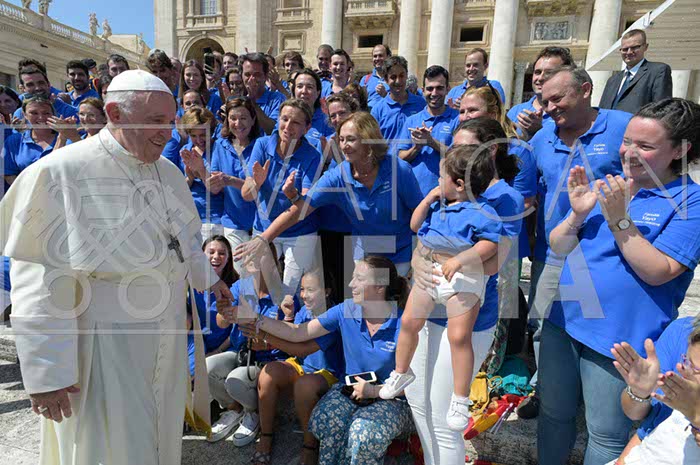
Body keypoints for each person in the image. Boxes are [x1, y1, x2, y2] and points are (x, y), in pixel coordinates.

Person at [0, 69, 232, 465]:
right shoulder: (60, 172)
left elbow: (183, 242)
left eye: (171, 121)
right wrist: (47, 374)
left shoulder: (167, 171)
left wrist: (209, 281)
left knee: (158, 441)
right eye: (156, 121)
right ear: (114, 113)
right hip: (103, 345)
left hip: (166, 336)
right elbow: (38, 282)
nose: (167, 133)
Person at [541, 98, 700, 465]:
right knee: (553, 415)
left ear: (680, 150)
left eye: (645, 145)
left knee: (605, 435)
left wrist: (619, 220)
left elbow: (659, 271)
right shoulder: (611, 184)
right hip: (564, 320)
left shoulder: (690, 201)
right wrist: (576, 216)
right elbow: (559, 245)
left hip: (619, 339)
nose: (629, 152)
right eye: (627, 141)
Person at [223, 256, 414, 465]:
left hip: (392, 399)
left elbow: (415, 384)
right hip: (351, 392)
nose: (351, 284)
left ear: (379, 287)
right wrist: (254, 318)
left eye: (359, 279)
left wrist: (375, 391)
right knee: (325, 419)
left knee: (363, 431)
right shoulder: (347, 310)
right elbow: (298, 333)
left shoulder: (405, 324)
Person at [527, 66, 633, 418]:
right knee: (544, 326)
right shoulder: (541, 138)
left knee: (601, 331)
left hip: (609, 255)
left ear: (586, 90)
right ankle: (548, 392)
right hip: (553, 253)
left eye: (557, 98)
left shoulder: (623, 127)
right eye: (544, 101)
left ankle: (599, 401)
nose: (549, 108)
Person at [380, 144, 503, 432]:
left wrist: (461, 259)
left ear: (458, 184)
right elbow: (414, 226)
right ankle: (401, 372)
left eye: (441, 177)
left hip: (465, 277)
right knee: (409, 322)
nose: (437, 182)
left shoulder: (484, 212)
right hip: (433, 272)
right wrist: (428, 198)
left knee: (459, 336)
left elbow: (489, 246)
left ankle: (460, 398)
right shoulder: (438, 205)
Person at [235, 112, 423, 277]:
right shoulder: (338, 176)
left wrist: (419, 256)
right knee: (368, 304)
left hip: (402, 253)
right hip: (366, 255)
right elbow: (301, 208)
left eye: (351, 139)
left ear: (368, 141)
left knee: (397, 304)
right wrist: (264, 238)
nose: (344, 146)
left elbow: (420, 214)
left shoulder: (398, 169)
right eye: (341, 139)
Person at [244, 268, 344, 465]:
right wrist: (288, 318)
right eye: (302, 289)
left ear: (327, 291)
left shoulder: (332, 316)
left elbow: (302, 349)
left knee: (304, 385)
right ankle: (266, 436)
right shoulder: (304, 310)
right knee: (268, 373)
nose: (304, 295)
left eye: (311, 290)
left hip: (328, 373)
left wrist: (264, 335)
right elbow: (291, 343)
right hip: (302, 367)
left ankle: (309, 446)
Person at [206, 241, 297, 446]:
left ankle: (252, 413)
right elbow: (221, 323)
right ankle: (234, 410)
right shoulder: (241, 286)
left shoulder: (284, 293)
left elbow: (294, 333)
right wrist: (224, 311)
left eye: (259, 255)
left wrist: (268, 344)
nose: (252, 260)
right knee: (208, 367)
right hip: (240, 352)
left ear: (273, 261)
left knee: (236, 379)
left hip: (269, 360)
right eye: (250, 256)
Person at [240, 99, 322, 295]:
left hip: (299, 233)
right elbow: (246, 194)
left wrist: (292, 194)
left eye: (296, 122)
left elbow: (303, 206)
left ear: (307, 128)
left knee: (290, 292)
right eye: (284, 119)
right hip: (263, 227)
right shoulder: (262, 145)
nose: (288, 126)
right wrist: (256, 183)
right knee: (260, 289)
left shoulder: (313, 155)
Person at [609, 316, 700, 465]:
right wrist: (639, 392)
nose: (683, 371)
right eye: (686, 360)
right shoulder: (682, 330)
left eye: (695, 368)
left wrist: (696, 417)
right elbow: (646, 428)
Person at [208, 97, 261, 274]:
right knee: (241, 274)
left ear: (253, 120)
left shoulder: (262, 144)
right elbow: (215, 187)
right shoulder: (220, 145)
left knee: (260, 275)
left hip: (260, 223)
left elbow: (259, 187)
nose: (238, 123)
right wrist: (202, 173)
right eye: (233, 118)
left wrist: (230, 180)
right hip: (233, 221)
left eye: (243, 118)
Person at [396, 65, 460, 197]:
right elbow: (400, 158)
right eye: (430, 89)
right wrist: (417, 148)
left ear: (448, 89)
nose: (434, 93)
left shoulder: (457, 120)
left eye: (439, 88)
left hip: (445, 197)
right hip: (413, 197)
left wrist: (431, 142)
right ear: (423, 90)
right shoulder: (412, 121)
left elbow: (460, 157)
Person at [187, 235, 238, 376]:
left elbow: (236, 331)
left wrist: (217, 351)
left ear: (228, 258)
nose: (216, 257)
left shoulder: (235, 287)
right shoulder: (192, 284)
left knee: (203, 369)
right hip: (197, 344)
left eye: (222, 253)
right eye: (211, 252)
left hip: (225, 348)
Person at [177, 107, 225, 239]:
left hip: (214, 218)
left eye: (203, 135)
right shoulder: (185, 150)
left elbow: (218, 189)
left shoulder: (220, 149)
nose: (199, 140)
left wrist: (201, 170)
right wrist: (190, 178)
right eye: (193, 136)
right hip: (190, 217)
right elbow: (182, 188)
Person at [599, 29, 673, 115]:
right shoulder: (612, 80)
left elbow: (661, 109)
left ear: (645, 47)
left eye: (634, 47)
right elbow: (602, 110)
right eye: (625, 49)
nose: (629, 52)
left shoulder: (658, 71)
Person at [507, 46, 574, 140]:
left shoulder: (570, 115)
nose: (541, 78)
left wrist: (538, 132)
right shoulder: (515, 111)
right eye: (537, 72)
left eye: (549, 73)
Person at [3, 96, 63, 187]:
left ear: (53, 114)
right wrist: (29, 190)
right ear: (24, 115)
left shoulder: (67, 139)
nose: (41, 117)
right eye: (34, 113)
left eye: (46, 113)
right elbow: (9, 174)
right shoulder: (14, 141)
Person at [370, 55, 426, 141]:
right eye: (393, 77)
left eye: (401, 76)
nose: (398, 81)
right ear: (386, 79)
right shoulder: (378, 110)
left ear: (407, 76)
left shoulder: (421, 104)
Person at [241, 53, 287, 135]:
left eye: (257, 75)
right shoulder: (239, 101)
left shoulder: (277, 99)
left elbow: (272, 130)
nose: (252, 79)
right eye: (247, 75)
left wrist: (253, 103)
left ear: (265, 76)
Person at [13, 65, 78, 121]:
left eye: (41, 83)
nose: (37, 88)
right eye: (30, 85)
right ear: (23, 88)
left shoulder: (70, 112)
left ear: (49, 84)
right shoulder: (19, 114)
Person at [291, 69, 334, 148]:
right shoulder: (285, 118)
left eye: (309, 87)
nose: (304, 91)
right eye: (299, 86)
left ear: (318, 92)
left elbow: (332, 151)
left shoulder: (327, 122)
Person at [360, 44, 391, 109]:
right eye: (375, 56)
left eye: (380, 56)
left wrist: (385, 95)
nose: (377, 59)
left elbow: (400, 100)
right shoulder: (365, 79)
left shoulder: (394, 79)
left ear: (388, 57)